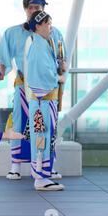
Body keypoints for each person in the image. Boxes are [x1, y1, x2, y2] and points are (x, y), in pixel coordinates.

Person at [0, 0, 65, 180]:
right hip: (24, 86)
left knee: (48, 126)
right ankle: (15, 164)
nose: (34, 11)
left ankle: (48, 166)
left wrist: (60, 74)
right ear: (25, 9)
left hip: (47, 89)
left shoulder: (54, 32)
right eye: (31, 7)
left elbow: (61, 59)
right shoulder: (13, 32)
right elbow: (0, 59)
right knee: (19, 122)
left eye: (38, 8)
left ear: (43, 10)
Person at [26, 10, 66, 191]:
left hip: (42, 101)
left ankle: (42, 173)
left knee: (44, 135)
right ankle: (40, 177)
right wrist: (58, 78)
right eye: (48, 24)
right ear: (38, 26)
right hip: (42, 101)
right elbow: (43, 73)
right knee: (41, 136)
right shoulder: (39, 47)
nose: (50, 27)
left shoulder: (41, 43)